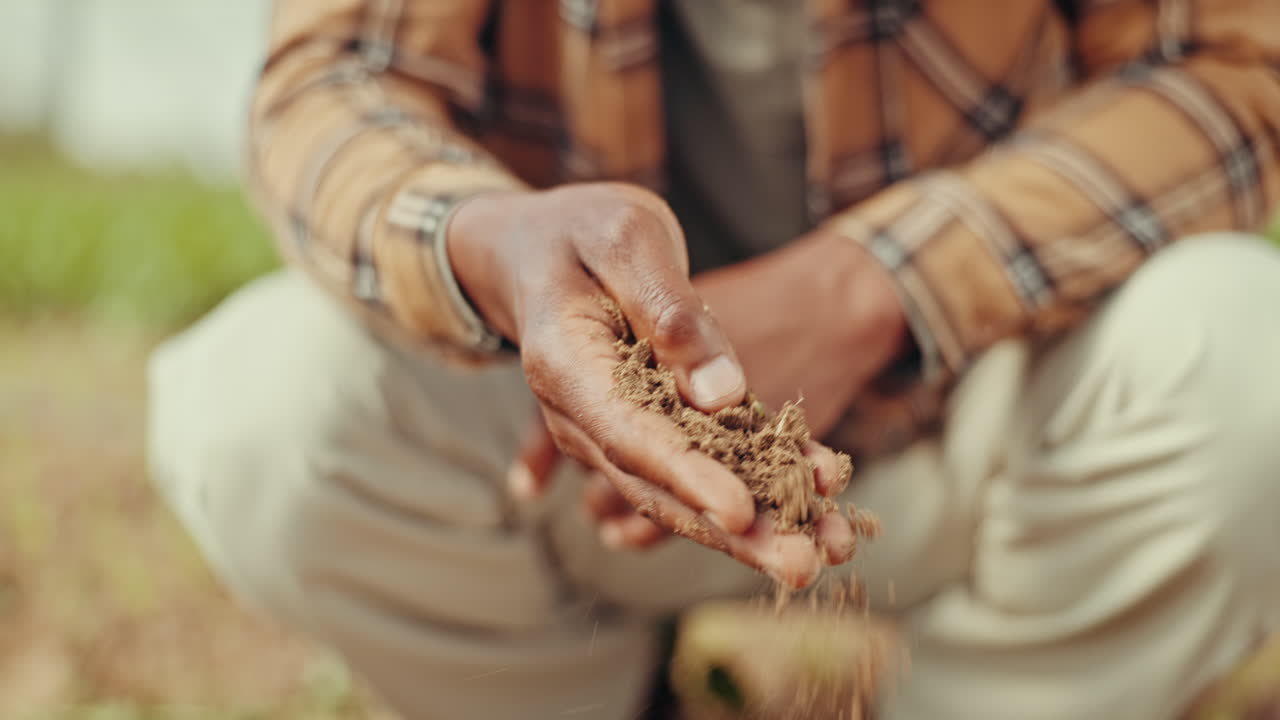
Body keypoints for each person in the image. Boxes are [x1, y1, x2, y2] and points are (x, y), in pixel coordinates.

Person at [147, 1, 1280, 718]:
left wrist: (864, 286)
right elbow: (330, 80)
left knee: (1247, 365)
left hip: (976, 408)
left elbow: (1227, 73)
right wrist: (497, 250)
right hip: (568, 454)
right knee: (267, 414)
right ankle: (588, 701)